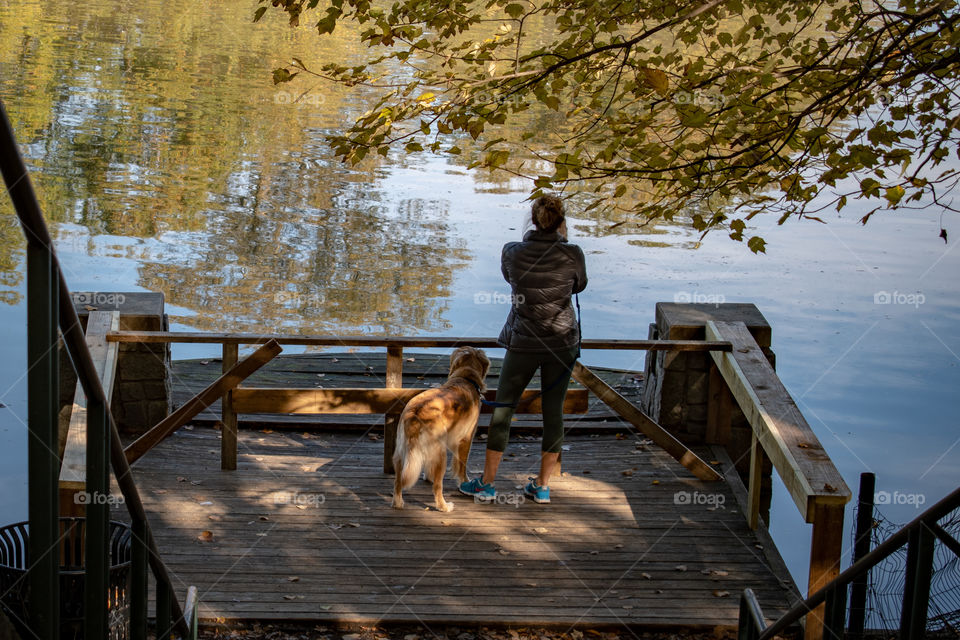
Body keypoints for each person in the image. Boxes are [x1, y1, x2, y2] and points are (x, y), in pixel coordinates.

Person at [459, 194, 587, 504]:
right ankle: (542, 486)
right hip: (561, 342)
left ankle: (487, 484)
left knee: (504, 409)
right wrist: (563, 241)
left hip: (523, 341)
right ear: (561, 221)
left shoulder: (512, 252)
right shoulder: (573, 253)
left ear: (532, 220)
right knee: (553, 411)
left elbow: (510, 278)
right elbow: (579, 286)